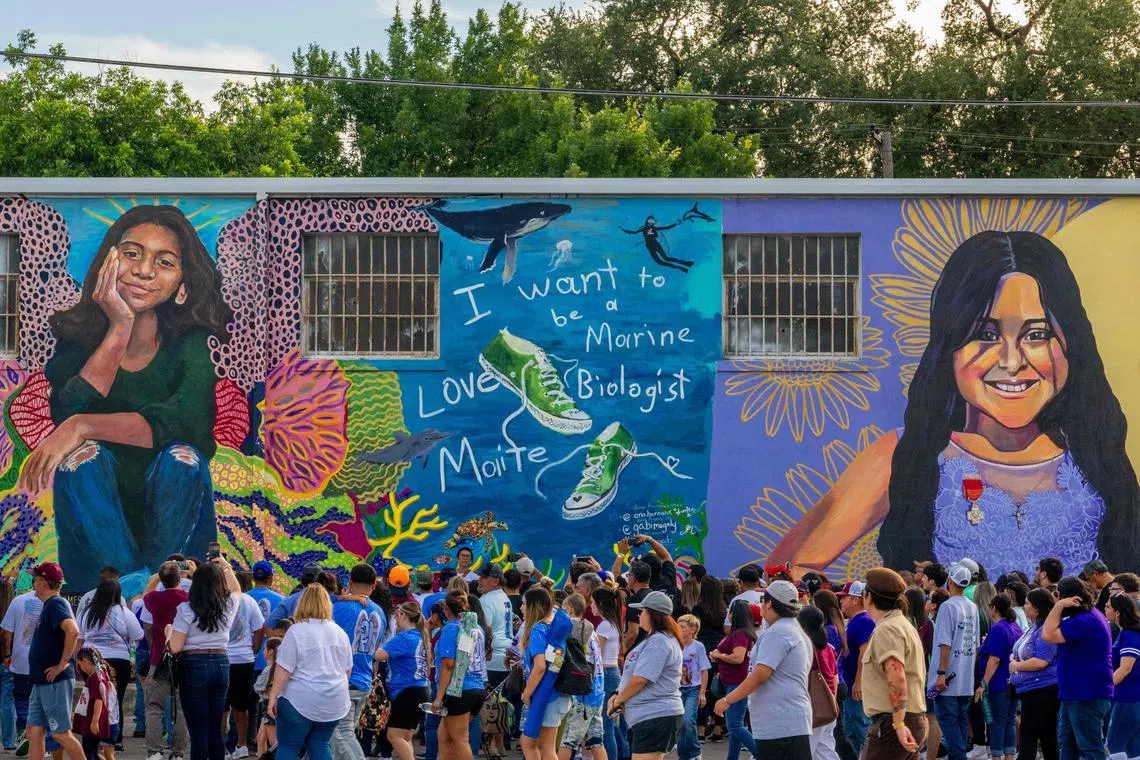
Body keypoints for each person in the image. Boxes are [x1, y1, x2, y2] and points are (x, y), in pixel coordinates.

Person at [769, 231, 1140, 577]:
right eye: (986, 333)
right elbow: (787, 570)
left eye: (1037, 334)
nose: (1011, 362)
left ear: (1070, 345)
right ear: (950, 346)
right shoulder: (910, 452)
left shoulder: (1095, 455)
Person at [28, 205, 233, 595]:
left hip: (178, 544)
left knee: (183, 458)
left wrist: (84, 426)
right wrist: (119, 326)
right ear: (109, 258)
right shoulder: (77, 338)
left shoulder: (189, 343)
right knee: (82, 461)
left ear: (182, 281)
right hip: (94, 546)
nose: (144, 270)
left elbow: (188, 421)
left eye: (165, 261)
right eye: (132, 253)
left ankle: (147, 586)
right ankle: (138, 588)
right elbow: (68, 409)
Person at [713, 581, 811, 760]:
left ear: (769, 603)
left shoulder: (778, 633)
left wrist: (728, 699)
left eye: (762, 601)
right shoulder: (795, 630)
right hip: (789, 721)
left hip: (779, 724)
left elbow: (760, 675)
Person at [268, 584, 352, 760]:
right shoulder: (340, 632)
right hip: (334, 701)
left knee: (288, 747)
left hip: (300, 700)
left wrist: (273, 696)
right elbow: (346, 671)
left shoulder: (296, 631)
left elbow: (284, 669)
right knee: (320, 744)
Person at [167, 559, 241, 760]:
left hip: (194, 665)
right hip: (221, 662)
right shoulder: (228, 604)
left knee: (198, 730)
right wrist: (225, 566)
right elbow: (237, 589)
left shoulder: (186, 609)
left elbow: (175, 647)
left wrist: (168, 633)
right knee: (215, 728)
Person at [858, 569, 928, 760]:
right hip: (909, 717)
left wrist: (898, 724)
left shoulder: (887, 629)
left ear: (869, 597)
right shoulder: (901, 624)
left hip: (893, 721)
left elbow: (896, 677)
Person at [1042, 576, 1114, 760]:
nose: (1056, 600)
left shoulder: (1085, 620)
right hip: (1075, 693)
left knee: (1090, 748)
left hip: (1086, 694)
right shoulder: (1086, 617)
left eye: (1058, 596)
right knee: (1067, 746)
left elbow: (1048, 634)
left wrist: (1058, 607)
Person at [608, 591, 684, 760]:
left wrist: (619, 701)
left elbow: (641, 678)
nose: (638, 615)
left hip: (654, 715)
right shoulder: (658, 639)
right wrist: (617, 694)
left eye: (642, 611)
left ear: (653, 614)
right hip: (651, 715)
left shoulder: (659, 641)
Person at [25, 562, 85, 760]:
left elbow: (73, 630)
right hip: (41, 680)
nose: (32, 582)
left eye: (35, 579)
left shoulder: (56, 604)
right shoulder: (49, 606)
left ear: (43, 582)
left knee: (60, 733)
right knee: (34, 731)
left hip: (54, 681)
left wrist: (62, 664)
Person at [76, 578, 142, 750]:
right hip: (119, 662)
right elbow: (138, 636)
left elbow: (79, 638)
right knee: (115, 700)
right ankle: (115, 740)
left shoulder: (87, 613)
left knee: (94, 698)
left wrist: (77, 660)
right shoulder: (124, 612)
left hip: (92, 661)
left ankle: (94, 737)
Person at [330, 563, 384, 760]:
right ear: (373, 586)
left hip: (341, 679)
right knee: (338, 738)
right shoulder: (380, 612)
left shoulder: (337, 608)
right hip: (363, 680)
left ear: (350, 582)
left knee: (341, 734)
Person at [928, 564, 978, 760]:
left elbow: (944, 642)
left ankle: (959, 757)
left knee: (948, 721)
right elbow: (974, 644)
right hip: (965, 678)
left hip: (947, 678)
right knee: (960, 721)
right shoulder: (972, 607)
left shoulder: (948, 607)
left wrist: (941, 673)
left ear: (950, 580)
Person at [433, 591, 487, 760]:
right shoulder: (476, 627)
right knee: (444, 736)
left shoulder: (451, 628)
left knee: (460, 739)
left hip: (460, 689)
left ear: (446, 609)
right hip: (478, 686)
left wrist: (438, 697)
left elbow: (448, 665)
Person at [519, 588, 569, 760]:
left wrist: (526, 693)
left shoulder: (537, 629)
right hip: (557, 694)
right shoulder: (551, 627)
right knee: (544, 746)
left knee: (534, 745)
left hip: (546, 696)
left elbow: (540, 666)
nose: (521, 608)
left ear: (535, 606)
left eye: (524, 604)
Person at [376, 602, 432, 760]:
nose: (395, 620)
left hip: (407, 692)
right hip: (419, 690)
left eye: (397, 616)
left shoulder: (404, 637)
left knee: (394, 736)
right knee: (405, 737)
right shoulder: (419, 636)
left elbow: (378, 655)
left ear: (403, 616)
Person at [1010, 588, 1059, 760]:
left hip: (1042, 690)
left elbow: (1041, 661)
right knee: (1044, 737)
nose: (1024, 607)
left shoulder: (1046, 629)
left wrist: (1016, 665)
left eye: (1027, 603)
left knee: (1033, 736)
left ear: (1037, 608)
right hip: (1030, 690)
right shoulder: (1034, 627)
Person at [558, 594, 606, 760]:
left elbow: (561, 658)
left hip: (581, 694)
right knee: (596, 741)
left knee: (568, 741)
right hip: (597, 691)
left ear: (569, 608)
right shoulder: (591, 631)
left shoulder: (571, 630)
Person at [975, 597, 1022, 760]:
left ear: (993, 608)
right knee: (1009, 721)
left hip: (998, 683)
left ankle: (996, 756)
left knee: (996, 722)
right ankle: (1009, 755)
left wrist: (984, 683)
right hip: (1012, 682)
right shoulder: (1015, 627)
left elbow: (994, 659)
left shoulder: (998, 628)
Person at [709, 600, 756, 760]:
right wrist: (719, 657)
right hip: (733, 681)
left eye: (730, 610)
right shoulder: (740, 633)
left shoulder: (740, 634)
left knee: (734, 725)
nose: (727, 613)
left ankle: (762, 753)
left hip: (736, 682)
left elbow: (738, 657)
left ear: (735, 614)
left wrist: (719, 655)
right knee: (736, 725)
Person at [224, 575, 265, 760]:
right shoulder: (249, 601)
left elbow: (258, 628)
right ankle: (241, 745)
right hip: (243, 660)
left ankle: (224, 745)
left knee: (222, 706)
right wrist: (253, 650)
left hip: (223, 658)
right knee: (241, 706)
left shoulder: (216, 598)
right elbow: (259, 629)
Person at [478, 564, 513, 759]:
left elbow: (487, 629)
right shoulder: (504, 597)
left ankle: (493, 744)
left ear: (496, 580)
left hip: (493, 657)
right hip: (506, 655)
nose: (480, 580)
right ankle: (499, 744)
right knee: (502, 703)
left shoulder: (486, 600)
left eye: (484, 577)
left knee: (492, 705)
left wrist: (484, 653)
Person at [589, 587, 627, 760]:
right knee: (609, 722)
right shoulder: (612, 623)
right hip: (612, 673)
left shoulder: (604, 626)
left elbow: (595, 654)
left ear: (600, 604)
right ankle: (624, 752)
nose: (590, 606)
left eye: (592, 602)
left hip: (606, 674)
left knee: (606, 725)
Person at [797, 605, 839, 760]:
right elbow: (834, 677)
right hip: (829, 704)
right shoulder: (829, 648)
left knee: (806, 750)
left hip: (813, 707)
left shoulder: (806, 648)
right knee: (825, 749)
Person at [838, 581, 874, 756]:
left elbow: (864, 654)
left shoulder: (864, 621)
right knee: (851, 730)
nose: (841, 602)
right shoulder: (855, 621)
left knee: (859, 730)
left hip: (856, 688)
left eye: (844, 598)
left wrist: (858, 683)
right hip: (851, 684)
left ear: (855, 600)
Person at [1104, 594, 1140, 757]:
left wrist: (1105, 688)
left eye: (1108, 606)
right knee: (1133, 747)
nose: (1104, 609)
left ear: (1118, 612)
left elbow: (1125, 668)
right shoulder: (1127, 633)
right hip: (1132, 697)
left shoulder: (1129, 635)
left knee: (1114, 745)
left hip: (1128, 697)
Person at [676, 614, 710, 760]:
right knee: (680, 723)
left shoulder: (698, 647)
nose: (678, 628)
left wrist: (702, 692)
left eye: (682, 626)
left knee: (688, 720)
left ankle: (695, 752)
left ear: (692, 629)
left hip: (693, 689)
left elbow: (704, 670)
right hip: (677, 689)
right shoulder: (675, 644)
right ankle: (684, 755)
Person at [72, 647, 114, 760]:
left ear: (85, 662)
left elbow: (98, 700)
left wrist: (95, 721)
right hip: (90, 720)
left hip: (92, 721)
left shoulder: (96, 678)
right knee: (93, 752)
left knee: (88, 752)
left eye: (80, 665)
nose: (80, 668)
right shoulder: (97, 676)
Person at [253, 638, 281, 757]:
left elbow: (257, 686)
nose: (263, 651)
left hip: (269, 705)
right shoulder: (278, 668)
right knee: (261, 739)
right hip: (268, 706)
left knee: (274, 743)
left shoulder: (269, 670)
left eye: (264, 648)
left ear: (271, 651)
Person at [722, 565, 764, 630]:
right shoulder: (766, 597)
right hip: (765, 638)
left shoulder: (736, 600)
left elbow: (727, 628)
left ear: (741, 582)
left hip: (744, 638)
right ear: (758, 582)